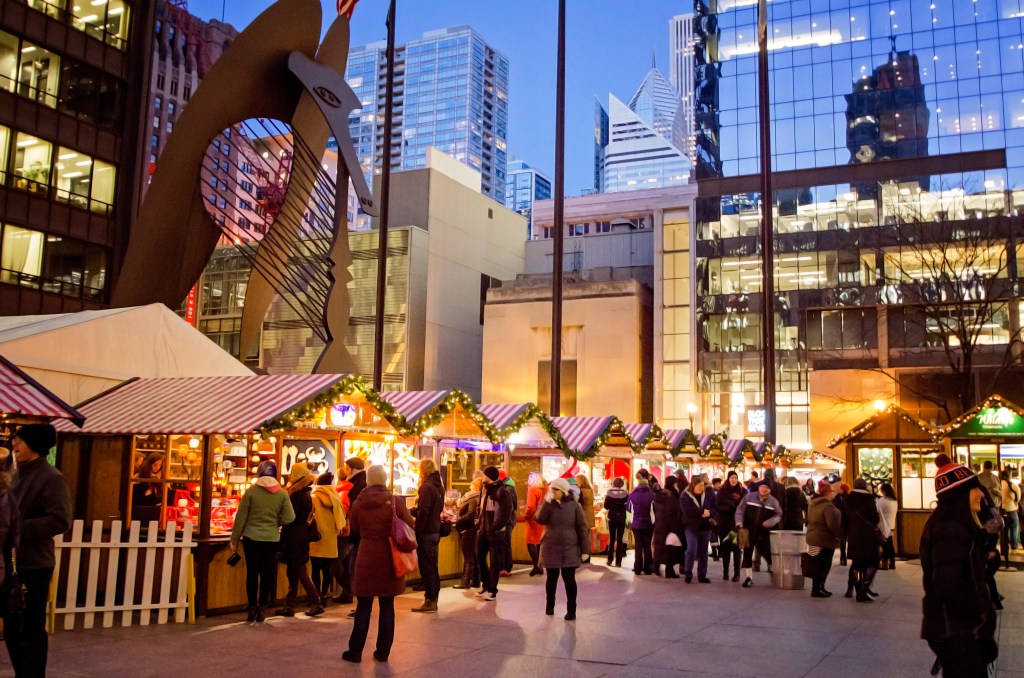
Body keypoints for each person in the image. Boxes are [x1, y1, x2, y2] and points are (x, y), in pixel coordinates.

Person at [5, 425, 72, 676]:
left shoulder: (51, 477)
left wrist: (16, 529)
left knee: (28, 628)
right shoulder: (15, 474)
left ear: (34, 444)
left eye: (19, 439)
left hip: (33, 564)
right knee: (13, 627)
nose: (14, 444)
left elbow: (59, 519)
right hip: (12, 561)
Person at [921, 462, 998, 677]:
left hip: (959, 629)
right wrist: (983, 611)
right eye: (975, 488)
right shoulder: (949, 529)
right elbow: (948, 585)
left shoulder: (956, 526)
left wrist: (981, 543)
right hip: (958, 632)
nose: (981, 494)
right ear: (960, 494)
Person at [343, 465, 413, 664]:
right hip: (389, 558)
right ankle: (382, 652)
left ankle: (355, 651)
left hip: (366, 556)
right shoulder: (394, 502)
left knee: (363, 606)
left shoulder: (359, 502)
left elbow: (354, 526)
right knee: (387, 605)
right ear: (384, 480)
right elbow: (409, 522)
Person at [231, 460, 295, 623]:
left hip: (251, 538)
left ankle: (251, 609)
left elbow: (241, 518)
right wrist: (276, 521)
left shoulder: (251, 492)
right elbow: (290, 517)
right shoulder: (282, 494)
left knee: (252, 573)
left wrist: (234, 538)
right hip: (271, 539)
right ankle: (262, 609)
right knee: (267, 573)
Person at [536, 477, 589, 621]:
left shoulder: (574, 505)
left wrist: (585, 550)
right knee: (551, 578)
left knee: (569, 579)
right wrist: (546, 503)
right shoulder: (548, 504)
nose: (553, 492)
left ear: (563, 491)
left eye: (556, 490)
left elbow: (582, 527)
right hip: (550, 545)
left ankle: (571, 610)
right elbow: (540, 519)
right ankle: (549, 607)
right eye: (552, 489)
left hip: (569, 546)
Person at [276, 462, 323, 617]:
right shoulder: (306, 494)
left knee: (300, 572)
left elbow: (290, 519)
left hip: (294, 538)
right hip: (300, 536)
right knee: (294, 572)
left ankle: (316, 602)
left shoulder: (296, 495)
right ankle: (289, 605)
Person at [410, 458, 443, 613]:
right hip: (435, 530)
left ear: (423, 470)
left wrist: (417, 530)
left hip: (426, 532)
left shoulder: (426, 487)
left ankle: (430, 599)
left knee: (427, 566)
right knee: (433, 565)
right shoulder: (438, 485)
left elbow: (424, 512)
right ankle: (433, 597)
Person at [734, 480, 781, 587]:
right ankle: (748, 578)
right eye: (762, 487)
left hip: (763, 532)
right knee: (747, 554)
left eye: (767, 488)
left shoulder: (773, 501)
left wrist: (770, 522)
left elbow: (778, 515)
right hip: (745, 530)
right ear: (759, 487)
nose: (764, 489)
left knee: (767, 553)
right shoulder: (749, 497)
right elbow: (739, 510)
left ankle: (775, 572)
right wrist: (739, 523)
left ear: (770, 490)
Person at [476, 466, 513, 601]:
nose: (482, 476)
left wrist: (495, 527)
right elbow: (481, 508)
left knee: (494, 561)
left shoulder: (501, 491)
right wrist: (478, 522)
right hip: (483, 530)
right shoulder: (484, 489)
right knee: (479, 557)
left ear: (489, 476)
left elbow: (505, 512)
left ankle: (492, 590)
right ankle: (485, 584)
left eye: (484, 474)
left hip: (495, 532)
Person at [310, 471, 345, 607]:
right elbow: (340, 518)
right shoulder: (335, 497)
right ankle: (324, 595)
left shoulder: (313, 496)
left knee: (315, 569)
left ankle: (316, 596)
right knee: (327, 569)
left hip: (316, 536)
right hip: (330, 537)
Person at [844, 478, 882, 602]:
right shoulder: (870, 499)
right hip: (868, 535)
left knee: (857, 564)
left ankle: (856, 589)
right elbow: (876, 519)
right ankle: (864, 588)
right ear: (865, 486)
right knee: (872, 562)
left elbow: (843, 519)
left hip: (854, 535)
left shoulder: (847, 499)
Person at [806, 479, 843, 598]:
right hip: (824, 539)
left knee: (816, 563)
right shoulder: (827, 506)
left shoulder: (813, 503)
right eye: (832, 491)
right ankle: (817, 589)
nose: (834, 493)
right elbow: (831, 524)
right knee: (823, 564)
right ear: (827, 493)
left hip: (813, 537)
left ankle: (818, 587)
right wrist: (840, 535)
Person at [679, 475, 714, 583]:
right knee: (691, 550)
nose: (701, 488)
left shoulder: (707, 495)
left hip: (705, 526)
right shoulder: (685, 496)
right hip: (691, 526)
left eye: (703, 485)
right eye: (699, 485)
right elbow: (686, 510)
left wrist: (710, 513)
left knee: (703, 552)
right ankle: (688, 572)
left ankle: (702, 575)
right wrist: (701, 512)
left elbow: (713, 507)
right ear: (693, 485)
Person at [716, 470, 745, 582]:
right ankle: (725, 572)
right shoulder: (722, 492)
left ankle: (737, 573)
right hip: (725, 524)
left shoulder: (742, 491)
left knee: (738, 549)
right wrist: (729, 508)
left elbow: (745, 506)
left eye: (735, 478)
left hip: (739, 525)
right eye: (732, 477)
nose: (733, 480)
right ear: (728, 479)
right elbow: (718, 506)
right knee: (726, 548)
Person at [453, 476, 482, 589]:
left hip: (468, 529)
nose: (470, 485)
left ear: (476, 486)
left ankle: (465, 581)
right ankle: (475, 580)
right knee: (473, 555)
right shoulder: (477, 497)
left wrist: (458, 519)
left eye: (472, 483)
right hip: (473, 529)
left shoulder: (472, 497)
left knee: (468, 556)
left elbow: (470, 515)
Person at [652, 475, 683, 578]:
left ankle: (656, 566)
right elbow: (671, 513)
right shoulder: (671, 496)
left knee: (659, 547)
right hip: (669, 526)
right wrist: (674, 527)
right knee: (670, 549)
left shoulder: (659, 494)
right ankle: (669, 571)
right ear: (674, 484)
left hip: (659, 525)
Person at [628, 476, 656, 575]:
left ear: (638, 485)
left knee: (638, 546)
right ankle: (648, 568)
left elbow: (629, 508)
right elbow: (655, 509)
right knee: (647, 546)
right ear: (648, 485)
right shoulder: (652, 495)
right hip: (649, 523)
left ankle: (637, 568)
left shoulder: (632, 495)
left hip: (636, 524)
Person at [130, 452, 164, 522]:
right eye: (155, 465)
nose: (157, 468)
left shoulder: (161, 477)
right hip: (140, 512)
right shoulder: (140, 475)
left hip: (154, 512)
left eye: (160, 465)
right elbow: (135, 496)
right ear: (150, 464)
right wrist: (149, 490)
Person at [603, 477, 628, 567]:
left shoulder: (609, 493)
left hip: (612, 517)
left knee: (612, 538)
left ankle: (610, 559)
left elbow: (606, 506)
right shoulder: (625, 493)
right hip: (621, 517)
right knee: (620, 539)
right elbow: (627, 506)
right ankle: (618, 561)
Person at [524, 472, 546, 576]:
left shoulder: (532, 489)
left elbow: (530, 507)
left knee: (530, 542)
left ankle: (536, 566)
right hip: (542, 518)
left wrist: (526, 516)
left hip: (533, 520)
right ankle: (540, 566)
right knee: (539, 543)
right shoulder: (544, 490)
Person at [876, 482, 898, 570]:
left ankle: (884, 563)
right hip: (891, 525)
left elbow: (876, 510)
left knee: (884, 545)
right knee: (890, 543)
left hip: (883, 525)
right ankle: (892, 562)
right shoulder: (894, 500)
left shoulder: (882, 501)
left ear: (884, 490)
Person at [499, 469, 517, 575]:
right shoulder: (509, 487)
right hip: (509, 520)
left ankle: (505, 567)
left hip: (507, 521)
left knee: (505, 543)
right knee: (506, 543)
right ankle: (505, 567)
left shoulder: (507, 489)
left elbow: (508, 507)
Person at [575, 474, 596, 561]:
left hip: (583, 515)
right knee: (586, 537)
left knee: (581, 537)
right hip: (590, 515)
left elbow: (580, 504)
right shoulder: (590, 490)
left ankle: (582, 556)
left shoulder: (581, 491)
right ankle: (587, 556)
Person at [1002, 469, 1021, 551]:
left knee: (1003, 529)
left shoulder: (998, 483)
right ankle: (1014, 545)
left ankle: (1005, 545)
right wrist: (1015, 503)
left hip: (1001, 509)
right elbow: (1018, 496)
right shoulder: (1011, 484)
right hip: (1011, 509)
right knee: (1014, 526)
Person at [833, 482, 851, 566]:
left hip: (843, 521)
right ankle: (844, 557)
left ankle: (843, 557)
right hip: (846, 521)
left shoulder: (839, 498)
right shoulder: (848, 498)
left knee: (843, 539)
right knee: (844, 539)